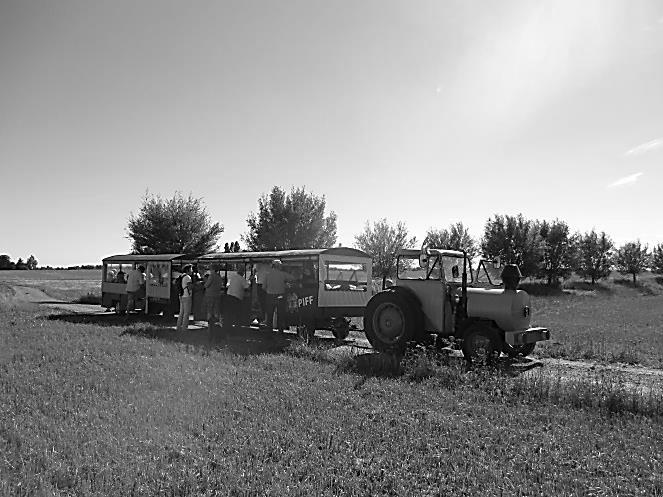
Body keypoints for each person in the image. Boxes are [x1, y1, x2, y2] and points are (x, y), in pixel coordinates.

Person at [263, 259, 295, 333]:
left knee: (270, 315)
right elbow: (293, 278)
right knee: (281, 315)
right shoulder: (283, 274)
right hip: (280, 296)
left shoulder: (267, 275)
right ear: (278, 266)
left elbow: (263, 287)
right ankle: (280, 331)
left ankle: (269, 332)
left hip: (270, 296)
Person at [203, 263, 224, 330]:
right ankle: (216, 326)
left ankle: (209, 327)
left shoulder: (211, 276)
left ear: (213, 269)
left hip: (210, 295)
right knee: (216, 311)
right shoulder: (219, 277)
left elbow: (206, 285)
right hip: (217, 295)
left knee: (209, 311)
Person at [176, 264, 193, 332]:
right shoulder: (188, 277)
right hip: (187, 296)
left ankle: (178, 327)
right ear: (188, 270)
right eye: (191, 269)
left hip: (181, 295)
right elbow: (190, 287)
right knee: (186, 313)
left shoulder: (181, 276)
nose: (192, 270)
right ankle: (184, 328)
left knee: (181, 312)